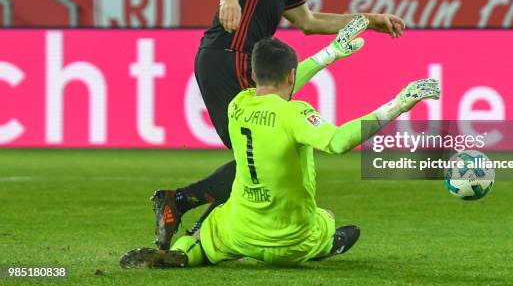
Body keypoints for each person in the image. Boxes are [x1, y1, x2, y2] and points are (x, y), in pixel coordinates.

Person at [150, 0, 406, 251]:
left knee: (254, 157)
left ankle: (190, 218)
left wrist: (372, 20)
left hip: (232, 58)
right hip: (232, 54)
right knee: (261, 155)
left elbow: (310, 20)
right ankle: (188, 213)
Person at [120, 27, 440, 268]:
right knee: (327, 218)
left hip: (240, 231)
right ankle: (323, 243)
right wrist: (397, 105)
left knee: (207, 232)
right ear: (291, 74)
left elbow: (277, 87)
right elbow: (339, 141)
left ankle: (182, 255)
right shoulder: (294, 113)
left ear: (254, 75)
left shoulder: (238, 105)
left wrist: (330, 54)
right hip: (290, 242)